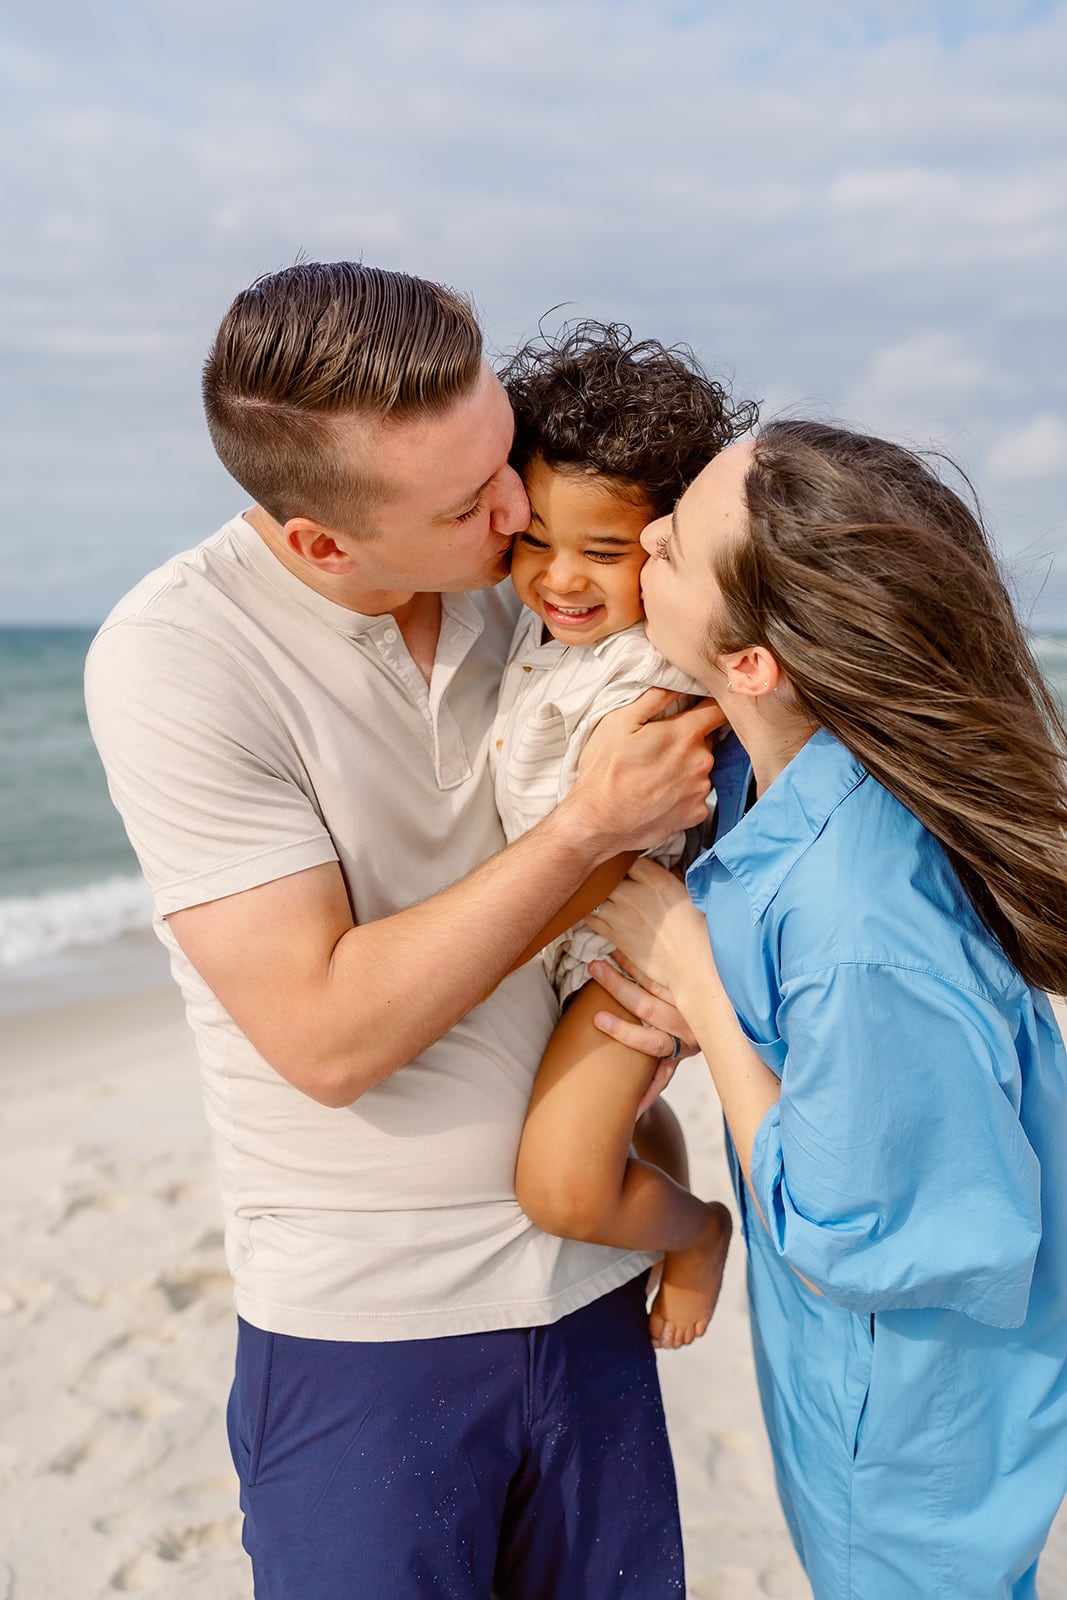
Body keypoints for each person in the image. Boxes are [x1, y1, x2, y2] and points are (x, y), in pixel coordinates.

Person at [83, 262, 726, 1600]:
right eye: (469, 502)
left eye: (505, 453)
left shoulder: (533, 574)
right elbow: (325, 1037)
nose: (517, 511)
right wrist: (586, 831)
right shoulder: (179, 656)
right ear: (324, 543)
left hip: (590, 1292)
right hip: (370, 1335)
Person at [589, 422, 1067, 1598]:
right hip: (875, 1382)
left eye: (674, 542)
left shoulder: (863, 921)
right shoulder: (780, 766)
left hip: (907, 1426)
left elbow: (844, 1234)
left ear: (755, 662)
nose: (643, 537)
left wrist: (695, 979)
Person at [491, 323, 748, 1348]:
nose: (559, 578)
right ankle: (654, 1210)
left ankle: (695, 1233)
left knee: (559, 1185)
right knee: (621, 1127)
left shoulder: (649, 678)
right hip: (565, 945)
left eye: (603, 552)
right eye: (532, 541)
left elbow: (620, 838)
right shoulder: (547, 629)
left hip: (618, 958)